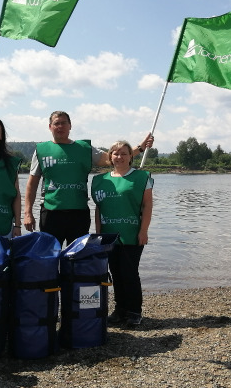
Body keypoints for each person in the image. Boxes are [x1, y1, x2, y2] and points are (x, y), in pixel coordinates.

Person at [23, 110, 153, 246]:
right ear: (50, 127)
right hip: (51, 213)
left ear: (70, 126)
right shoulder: (41, 150)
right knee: (49, 258)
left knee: (77, 260)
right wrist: (27, 213)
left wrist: (140, 148)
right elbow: (32, 185)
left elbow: (112, 158)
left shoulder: (84, 148)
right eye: (56, 123)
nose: (60, 126)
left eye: (64, 123)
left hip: (79, 214)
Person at [91, 140, 153, 326]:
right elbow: (98, 209)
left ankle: (134, 311)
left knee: (129, 273)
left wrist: (143, 231)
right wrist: (99, 235)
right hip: (109, 236)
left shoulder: (141, 178)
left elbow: (147, 206)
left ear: (131, 156)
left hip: (131, 234)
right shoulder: (100, 180)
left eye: (124, 153)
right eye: (116, 153)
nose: (119, 156)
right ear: (110, 157)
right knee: (115, 274)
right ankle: (120, 310)